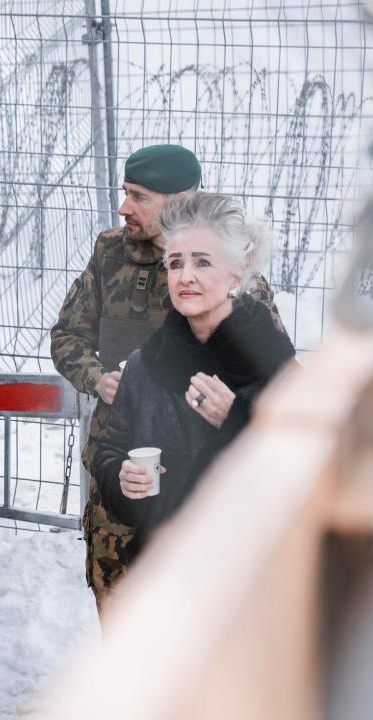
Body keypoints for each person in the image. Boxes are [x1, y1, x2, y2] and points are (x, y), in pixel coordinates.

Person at [50, 145, 285, 610]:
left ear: (179, 201)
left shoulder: (236, 277)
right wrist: (98, 378)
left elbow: (277, 387)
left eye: (139, 197)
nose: (124, 207)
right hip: (123, 470)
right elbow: (67, 335)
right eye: (124, 192)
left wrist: (234, 412)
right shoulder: (111, 253)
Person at [93, 192, 295, 559]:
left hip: (252, 571)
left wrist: (237, 420)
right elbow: (111, 449)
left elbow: (307, 475)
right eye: (175, 264)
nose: (185, 277)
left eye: (202, 262)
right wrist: (122, 478)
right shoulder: (145, 364)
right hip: (164, 566)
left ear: (235, 275)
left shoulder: (277, 369)